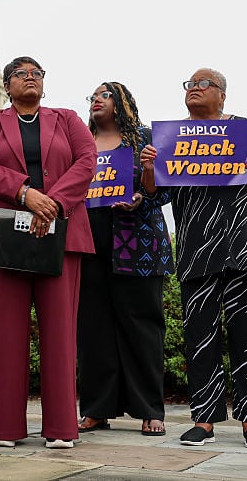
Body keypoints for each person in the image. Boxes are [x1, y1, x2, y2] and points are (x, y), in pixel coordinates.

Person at [141, 68, 247, 449]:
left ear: (222, 95)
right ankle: (203, 421)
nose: (194, 88)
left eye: (203, 83)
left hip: (242, 246)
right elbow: (154, 192)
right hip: (196, 249)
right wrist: (148, 168)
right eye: (189, 84)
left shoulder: (245, 130)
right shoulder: (172, 138)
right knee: (199, 336)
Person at [0, 56, 97, 449]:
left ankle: (61, 427)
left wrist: (50, 203)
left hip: (61, 231)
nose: (30, 78)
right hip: (4, 233)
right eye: (21, 74)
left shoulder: (67, 119)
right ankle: (6, 427)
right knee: (5, 333)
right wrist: (24, 193)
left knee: (60, 332)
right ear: (6, 85)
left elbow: (86, 162)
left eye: (37, 73)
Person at [76, 82, 173, 437]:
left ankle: (150, 409)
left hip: (137, 244)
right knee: (93, 327)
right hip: (89, 243)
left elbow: (164, 189)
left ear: (122, 103)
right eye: (93, 96)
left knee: (141, 327)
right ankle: (96, 408)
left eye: (104, 95)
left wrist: (141, 194)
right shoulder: (81, 144)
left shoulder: (145, 139)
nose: (96, 100)